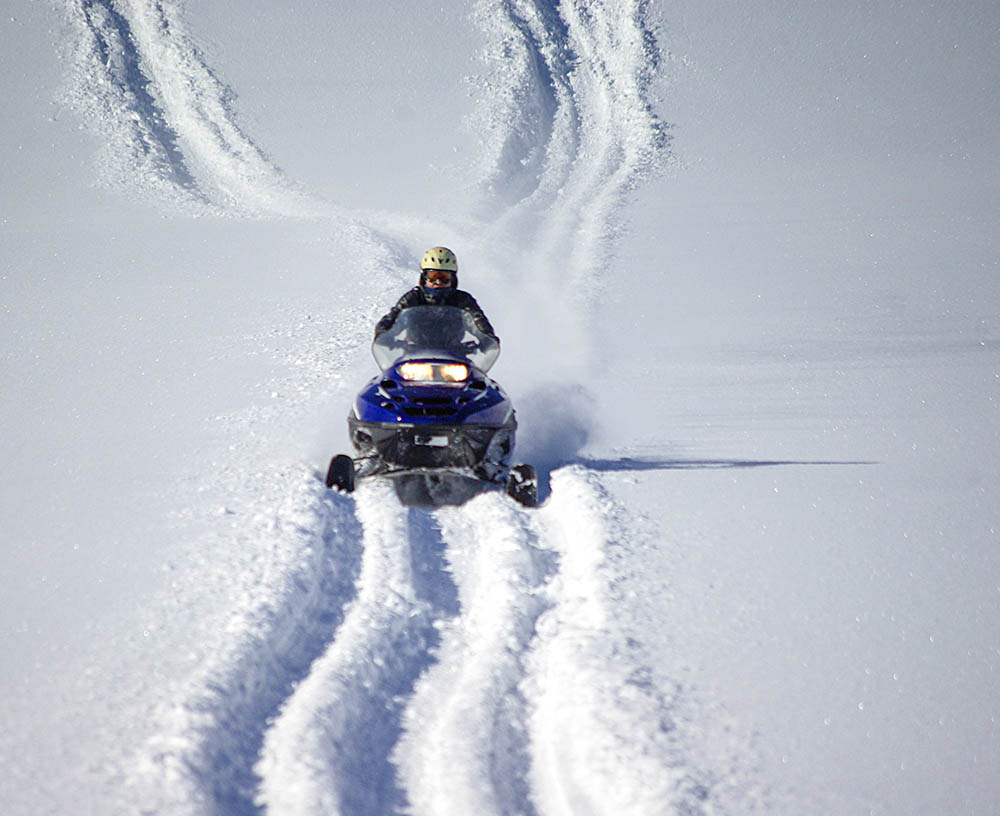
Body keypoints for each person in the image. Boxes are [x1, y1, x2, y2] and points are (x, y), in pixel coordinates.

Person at [374, 246, 497, 341]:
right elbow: (394, 317)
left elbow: (476, 319)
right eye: (433, 276)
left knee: (476, 375)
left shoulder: (462, 299)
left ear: (452, 278)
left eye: (444, 277)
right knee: (390, 374)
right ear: (424, 277)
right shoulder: (413, 298)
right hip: (414, 355)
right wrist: (384, 334)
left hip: (456, 356)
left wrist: (487, 337)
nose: (438, 282)